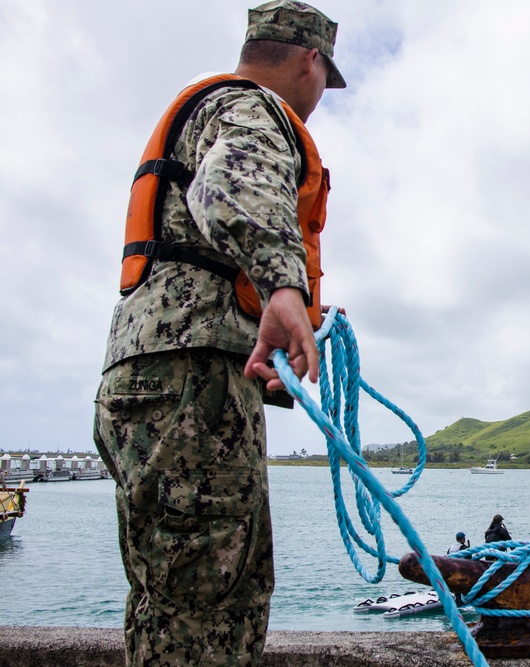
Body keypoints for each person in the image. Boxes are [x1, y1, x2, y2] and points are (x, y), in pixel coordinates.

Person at [92, 3, 346, 664]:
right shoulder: (250, 109)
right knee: (203, 616)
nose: (321, 94)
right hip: (189, 392)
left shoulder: (207, 110)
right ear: (309, 60)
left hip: (176, 382)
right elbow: (229, 187)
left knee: (195, 605)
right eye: (326, 77)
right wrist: (285, 284)